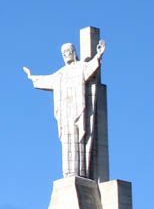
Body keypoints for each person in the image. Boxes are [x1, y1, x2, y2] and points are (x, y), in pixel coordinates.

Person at [24, 39, 105, 178]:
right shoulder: (60, 74)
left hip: (78, 112)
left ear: (74, 53)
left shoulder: (81, 67)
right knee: (67, 142)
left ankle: (80, 172)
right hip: (65, 114)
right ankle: (68, 173)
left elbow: (91, 67)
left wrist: (99, 55)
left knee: (79, 139)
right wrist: (32, 77)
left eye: (68, 51)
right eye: (63, 52)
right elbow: (46, 79)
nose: (66, 54)